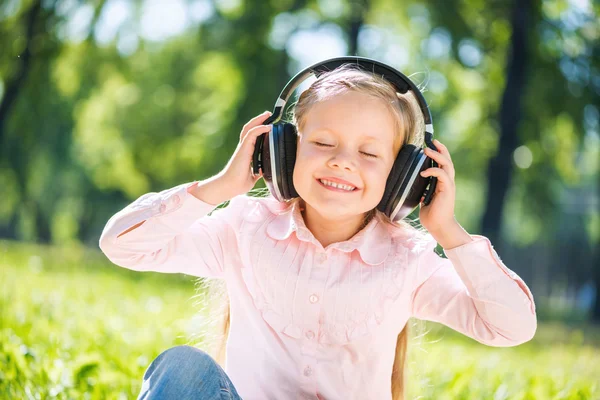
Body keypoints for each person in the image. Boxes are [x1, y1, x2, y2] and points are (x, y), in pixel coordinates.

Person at [99, 62, 537, 400]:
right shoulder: (243, 228)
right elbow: (122, 245)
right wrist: (219, 187)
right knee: (184, 369)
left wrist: (449, 233)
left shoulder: (410, 261)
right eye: (324, 143)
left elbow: (511, 328)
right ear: (283, 151)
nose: (342, 161)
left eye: (369, 152)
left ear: (405, 177)